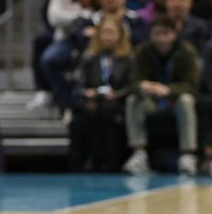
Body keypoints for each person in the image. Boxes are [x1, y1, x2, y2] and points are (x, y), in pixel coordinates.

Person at [123, 16, 200, 176]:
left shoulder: (186, 51)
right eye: (156, 34)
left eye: (165, 34)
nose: (160, 38)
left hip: (175, 100)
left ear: (174, 34)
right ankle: (139, 153)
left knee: (186, 100)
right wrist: (143, 85)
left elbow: (192, 85)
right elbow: (133, 82)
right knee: (133, 100)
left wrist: (168, 90)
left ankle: (187, 154)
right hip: (152, 100)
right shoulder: (143, 51)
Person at [70, 16, 132, 172]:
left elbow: (132, 85)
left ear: (120, 35)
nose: (108, 37)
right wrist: (86, 92)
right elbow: (79, 85)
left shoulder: (128, 58)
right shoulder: (89, 57)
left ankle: (109, 161)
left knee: (107, 111)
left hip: (117, 102)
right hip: (94, 101)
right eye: (105, 32)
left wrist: (117, 94)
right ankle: (83, 162)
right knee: (83, 114)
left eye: (112, 32)